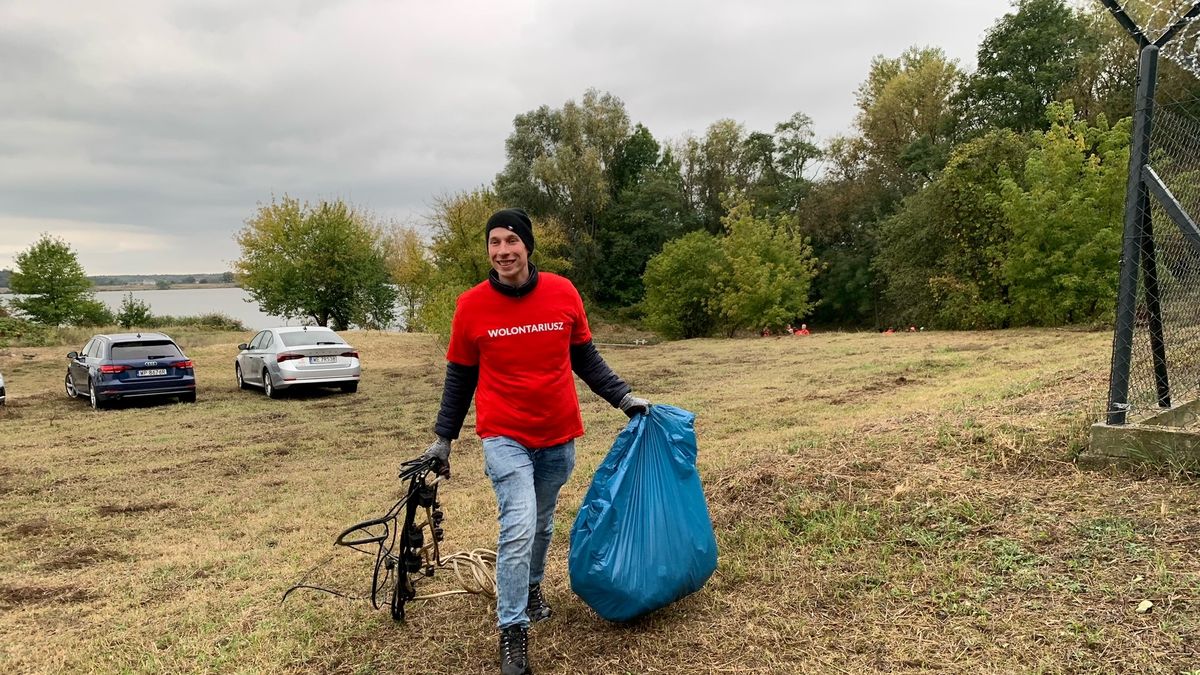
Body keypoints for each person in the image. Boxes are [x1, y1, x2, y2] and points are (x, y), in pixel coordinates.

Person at [418, 208, 650, 675]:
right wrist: (443, 440)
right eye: (494, 243)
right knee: (519, 526)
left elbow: (585, 357)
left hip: (558, 434)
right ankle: (513, 630)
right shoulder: (471, 305)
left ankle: (533, 588)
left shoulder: (563, 292)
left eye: (510, 241)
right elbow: (460, 378)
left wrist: (624, 398)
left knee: (542, 525)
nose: (502, 251)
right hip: (504, 435)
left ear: (527, 245)